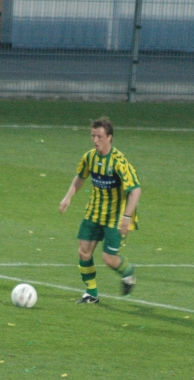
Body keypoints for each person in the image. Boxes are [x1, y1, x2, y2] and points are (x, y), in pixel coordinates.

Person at [59, 117, 142, 304]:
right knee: (83, 252)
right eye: (93, 136)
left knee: (109, 259)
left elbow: (135, 190)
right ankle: (91, 293)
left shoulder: (119, 162)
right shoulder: (89, 157)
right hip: (94, 213)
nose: (95, 140)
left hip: (115, 217)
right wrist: (68, 196)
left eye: (99, 136)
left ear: (109, 138)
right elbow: (80, 177)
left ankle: (128, 272)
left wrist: (127, 217)